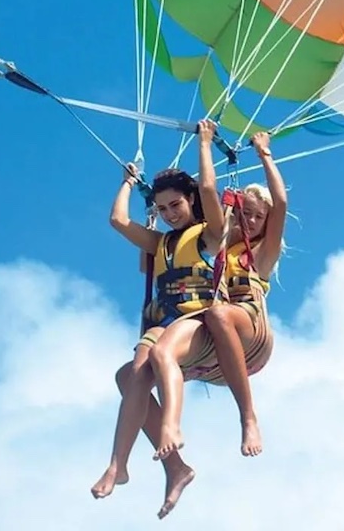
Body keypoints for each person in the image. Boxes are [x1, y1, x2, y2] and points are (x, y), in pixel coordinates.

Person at [91, 120, 287, 519]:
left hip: (230, 322)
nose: (247, 222)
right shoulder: (168, 241)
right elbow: (116, 222)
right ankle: (128, 465)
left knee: (197, 326)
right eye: (244, 215)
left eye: (174, 206)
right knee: (128, 376)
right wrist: (130, 182)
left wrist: (213, 144)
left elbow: (218, 194)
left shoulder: (220, 240)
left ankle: (227, 420)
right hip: (184, 325)